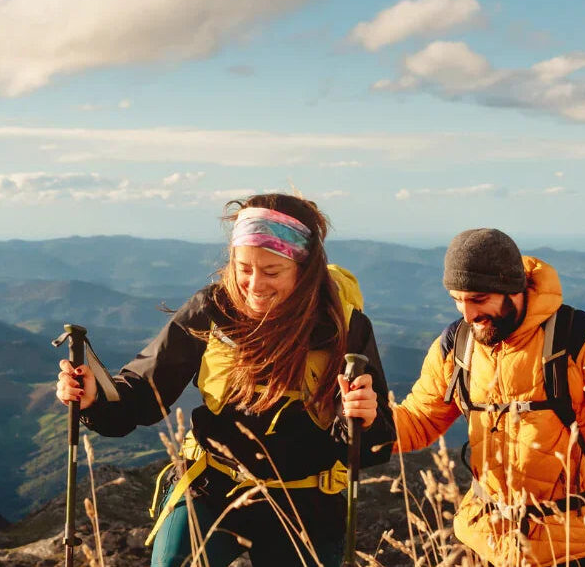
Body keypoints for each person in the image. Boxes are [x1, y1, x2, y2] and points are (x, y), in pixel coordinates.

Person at [56, 193, 395, 567]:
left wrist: (362, 420)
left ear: (305, 270)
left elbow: (371, 447)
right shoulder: (212, 310)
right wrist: (95, 400)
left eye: (271, 272)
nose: (254, 285)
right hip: (212, 485)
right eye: (243, 268)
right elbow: (145, 392)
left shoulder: (344, 329)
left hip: (304, 501)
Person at [393, 228, 585, 567]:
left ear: (513, 289)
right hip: (483, 540)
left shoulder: (580, 339)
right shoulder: (456, 345)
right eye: (457, 299)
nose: (467, 314)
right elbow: (418, 421)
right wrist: (369, 419)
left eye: (478, 299)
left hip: (574, 547)